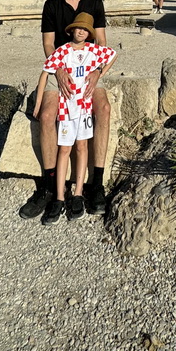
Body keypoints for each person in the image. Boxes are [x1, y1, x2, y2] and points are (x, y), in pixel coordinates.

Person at [18, 0, 110, 220]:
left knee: (103, 108)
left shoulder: (95, 3)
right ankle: (48, 188)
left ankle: (96, 184)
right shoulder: (51, 5)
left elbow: (102, 43)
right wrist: (58, 70)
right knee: (47, 116)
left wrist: (97, 72)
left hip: (89, 68)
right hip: (60, 69)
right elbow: (48, 44)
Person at [33, 13, 117, 225]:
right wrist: (37, 102)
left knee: (81, 147)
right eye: (78, 28)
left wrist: (100, 73)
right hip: (66, 108)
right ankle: (60, 196)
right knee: (64, 149)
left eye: (85, 29)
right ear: (71, 30)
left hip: (84, 108)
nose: (81, 31)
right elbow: (45, 72)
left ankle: (78, 193)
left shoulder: (92, 50)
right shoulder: (62, 51)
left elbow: (112, 54)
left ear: (90, 33)